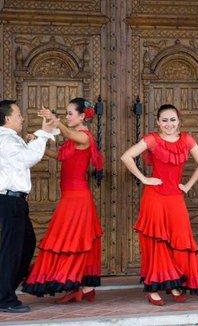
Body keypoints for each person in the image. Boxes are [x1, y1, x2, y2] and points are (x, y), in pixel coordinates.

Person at [121, 104, 198, 306]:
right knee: (157, 242)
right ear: (158, 122)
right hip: (155, 198)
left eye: (172, 120)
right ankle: (154, 288)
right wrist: (144, 178)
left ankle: (173, 283)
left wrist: (187, 185)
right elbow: (126, 156)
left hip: (175, 198)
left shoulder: (187, 139)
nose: (169, 124)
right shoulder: (152, 139)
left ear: (178, 121)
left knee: (179, 240)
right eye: (164, 120)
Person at [22, 98, 104, 303]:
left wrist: (55, 122)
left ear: (82, 116)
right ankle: (85, 287)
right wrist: (36, 142)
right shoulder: (73, 139)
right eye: (66, 113)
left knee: (71, 238)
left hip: (77, 197)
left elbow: (68, 134)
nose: (67, 117)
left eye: (70, 113)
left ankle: (80, 285)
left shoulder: (84, 137)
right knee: (70, 237)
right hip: (70, 195)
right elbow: (59, 155)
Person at [0, 100, 56, 313]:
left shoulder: (11, 139)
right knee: (12, 250)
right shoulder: (6, 140)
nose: (22, 118)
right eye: (18, 114)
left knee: (24, 244)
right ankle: (4, 298)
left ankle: (5, 291)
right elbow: (28, 158)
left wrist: (45, 130)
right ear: (7, 118)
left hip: (15, 201)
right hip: (10, 201)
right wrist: (43, 133)